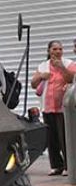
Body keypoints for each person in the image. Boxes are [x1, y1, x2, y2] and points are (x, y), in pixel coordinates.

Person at [31, 40, 76, 176]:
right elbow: (33, 84)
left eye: (60, 49)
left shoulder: (69, 64)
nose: (58, 52)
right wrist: (40, 76)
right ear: (49, 51)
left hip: (63, 108)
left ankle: (70, 166)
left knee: (65, 138)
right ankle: (56, 165)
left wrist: (61, 67)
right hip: (47, 107)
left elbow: (71, 79)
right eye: (54, 49)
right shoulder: (43, 66)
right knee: (51, 138)